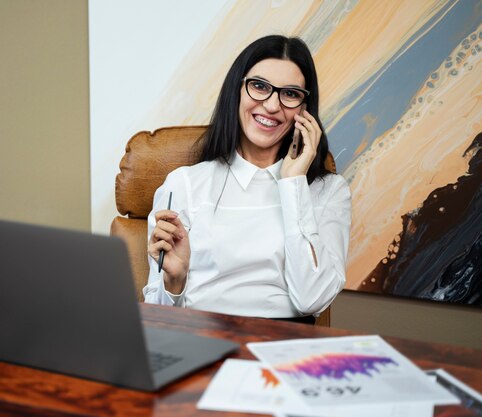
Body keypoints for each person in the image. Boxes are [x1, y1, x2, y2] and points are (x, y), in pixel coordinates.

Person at [144, 35, 351, 323]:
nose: (271, 105)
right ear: (237, 90)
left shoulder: (329, 191)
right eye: (259, 86)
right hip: (201, 337)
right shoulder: (184, 185)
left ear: (305, 109)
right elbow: (157, 316)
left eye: (290, 94)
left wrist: (293, 183)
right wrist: (175, 281)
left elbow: (312, 300)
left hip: (284, 345)